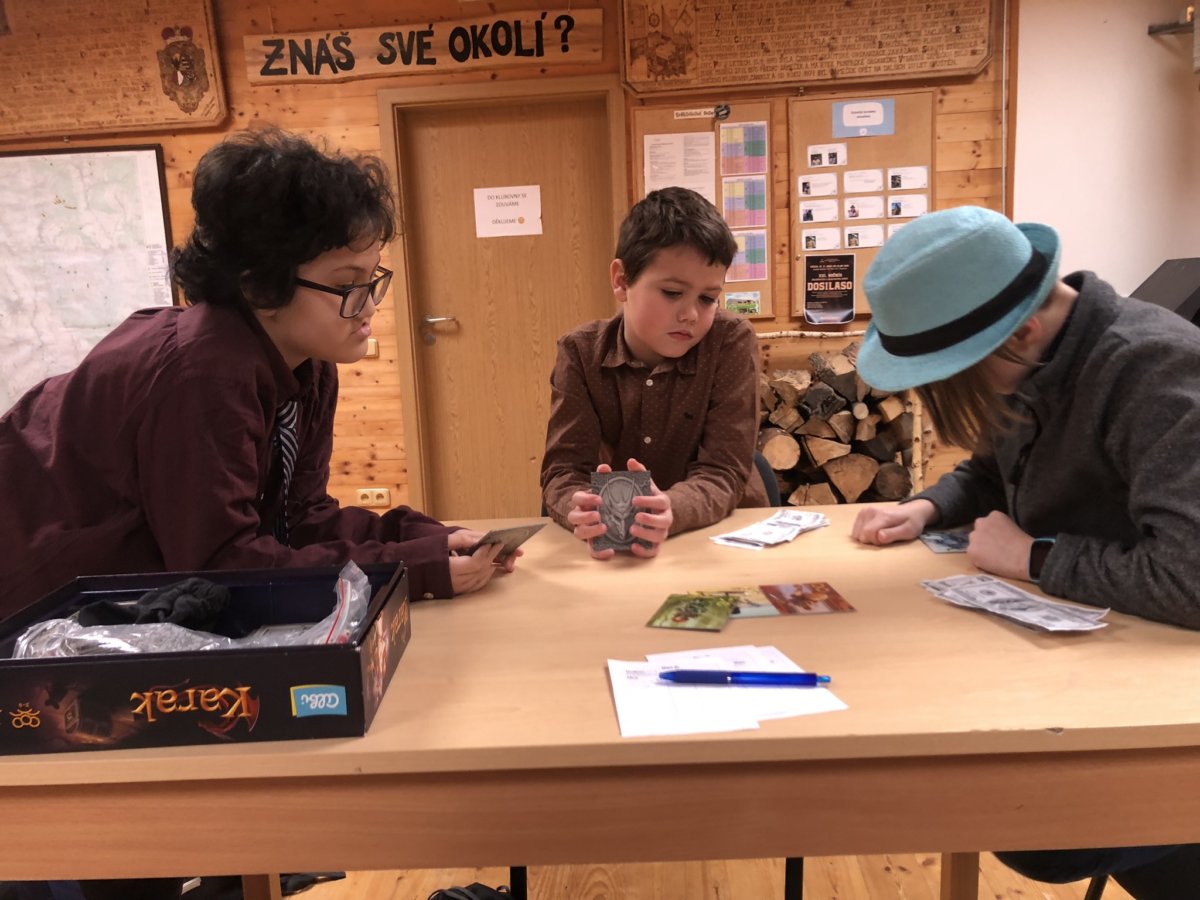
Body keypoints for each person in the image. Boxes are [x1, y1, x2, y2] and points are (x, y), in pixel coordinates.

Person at [0, 129, 517, 898]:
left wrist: (426, 539)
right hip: (37, 616)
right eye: (347, 284)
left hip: (120, 611)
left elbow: (297, 520)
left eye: (373, 278)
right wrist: (417, 570)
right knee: (124, 843)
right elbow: (225, 567)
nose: (369, 307)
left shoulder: (305, 366)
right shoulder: (202, 372)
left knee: (184, 825)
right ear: (260, 282)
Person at [849, 205, 1200, 898]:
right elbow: (990, 471)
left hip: (1161, 710)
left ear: (1021, 332)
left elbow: (1191, 579)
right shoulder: (1037, 358)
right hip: (1078, 669)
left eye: (958, 372)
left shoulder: (1158, 372)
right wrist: (927, 507)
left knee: (1037, 833)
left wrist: (1032, 558)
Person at [540, 186, 768, 559]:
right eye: (672, 293)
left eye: (708, 299)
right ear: (621, 280)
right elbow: (564, 471)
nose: (690, 315)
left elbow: (724, 470)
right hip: (618, 545)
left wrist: (671, 508)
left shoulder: (730, 341)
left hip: (721, 540)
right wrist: (577, 506)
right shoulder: (580, 352)